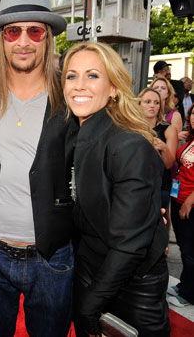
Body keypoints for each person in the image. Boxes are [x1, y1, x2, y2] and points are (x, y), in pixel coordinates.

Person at [0, 0, 74, 337]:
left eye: (34, 30)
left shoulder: (69, 90)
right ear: (2, 38)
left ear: (47, 37)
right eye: (14, 31)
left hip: (52, 255)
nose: (23, 41)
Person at [63, 41, 170, 337]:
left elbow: (129, 245)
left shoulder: (127, 144)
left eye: (93, 76)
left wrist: (89, 305)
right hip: (90, 269)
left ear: (113, 88)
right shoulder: (75, 135)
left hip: (132, 285)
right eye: (71, 76)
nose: (79, 85)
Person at [167, 103, 194, 308]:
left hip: (189, 202)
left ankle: (189, 294)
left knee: (190, 250)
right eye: (193, 114)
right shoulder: (190, 139)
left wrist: (188, 201)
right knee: (186, 248)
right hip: (178, 198)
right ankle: (185, 284)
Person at [138, 87, 177, 209]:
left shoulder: (168, 129)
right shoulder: (132, 129)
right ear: (139, 104)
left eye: (156, 103)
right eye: (147, 102)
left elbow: (169, 164)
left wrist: (164, 148)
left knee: (160, 224)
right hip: (136, 186)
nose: (152, 106)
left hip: (159, 187)